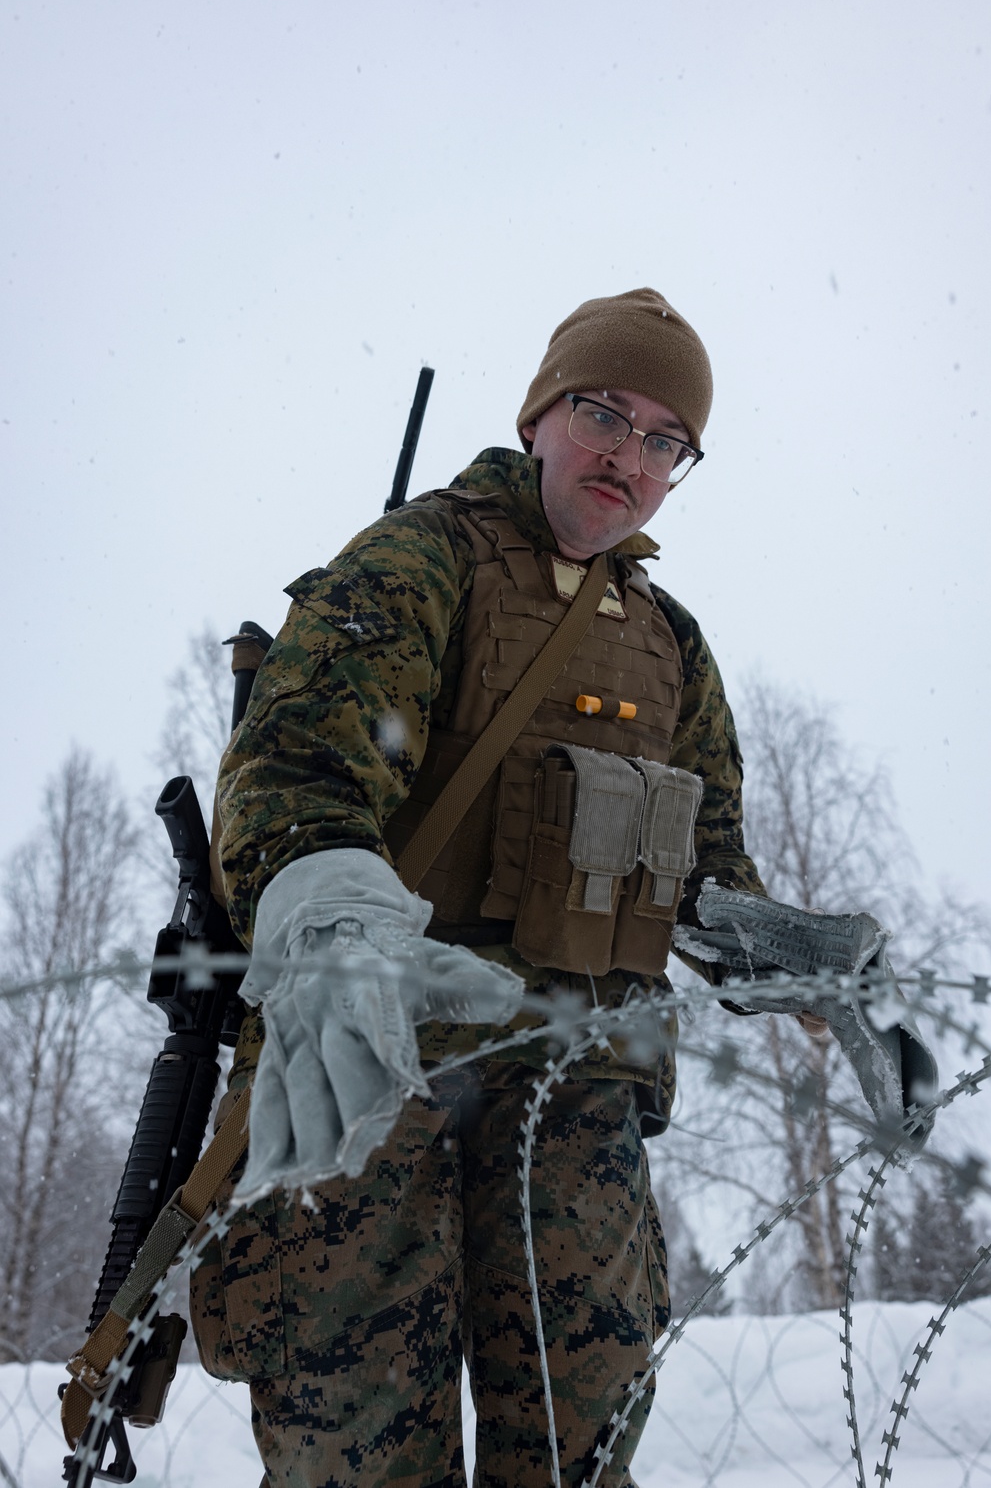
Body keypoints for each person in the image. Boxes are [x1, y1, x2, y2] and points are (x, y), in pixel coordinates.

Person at [191, 288, 780, 1488]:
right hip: (375, 1065)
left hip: (576, 1088)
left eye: (667, 438)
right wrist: (336, 909)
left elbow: (711, 869)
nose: (629, 454)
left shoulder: (668, 639)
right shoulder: (424, 556)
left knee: (579, 1448)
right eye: (604, 413)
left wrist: (797, 950)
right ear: (540, 415)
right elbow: (292, 768)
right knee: (361, 1449)